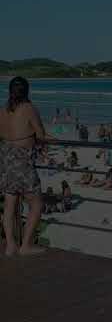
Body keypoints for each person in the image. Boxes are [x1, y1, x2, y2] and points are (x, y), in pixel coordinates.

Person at [0, 77, 55, 255]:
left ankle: (10, 245)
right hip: (22, 161)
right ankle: (26, 245)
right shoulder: (28, 108)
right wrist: (55, 140)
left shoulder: (3, 110)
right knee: (37, 204)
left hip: (6, 160)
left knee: (10, 205)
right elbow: (40, 134)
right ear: (26, 91)